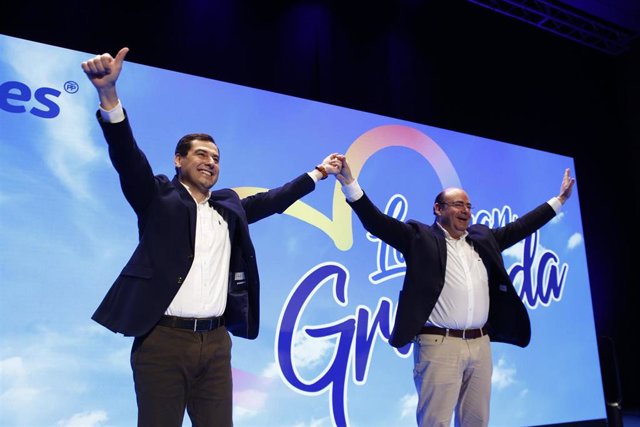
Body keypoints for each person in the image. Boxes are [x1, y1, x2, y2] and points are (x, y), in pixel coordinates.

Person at [81, 47, 342, 427]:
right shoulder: (157, 196)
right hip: (163, 341)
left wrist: (318, 172)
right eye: (201, 154)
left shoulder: (228, 207)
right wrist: (109, 96)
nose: (210, 162)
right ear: (178, 160)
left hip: (217, 343)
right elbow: (127, 156)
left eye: (216, 157)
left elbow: (273, 200)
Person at [333, 155, 575, 427]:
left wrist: (559, 201)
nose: (466, 211)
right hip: (439, 345)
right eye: (458, 204)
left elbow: (520, 227)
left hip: (480, 345)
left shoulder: (483, 238)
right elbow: (377, 223)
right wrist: (349, 183)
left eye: (469, 206)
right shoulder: (418, 237)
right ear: (438, 208)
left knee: (477, 421)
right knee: (436, 422)